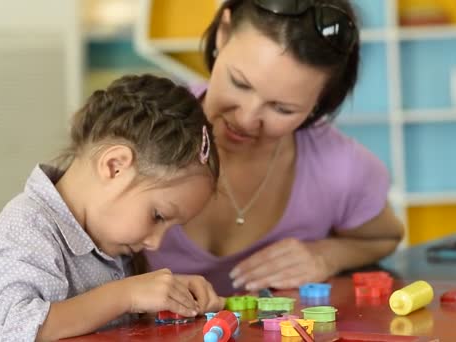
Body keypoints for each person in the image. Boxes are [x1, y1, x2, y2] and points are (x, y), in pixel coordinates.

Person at [145, 0, 405, 296]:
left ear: (318, 104)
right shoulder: (141, 128)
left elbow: (384, 236)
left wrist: (324, 255)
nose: (246, 119)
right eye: (239, 83)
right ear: (223, 34)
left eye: (282, 109)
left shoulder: (339, 167)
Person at [0, 74, 225, 341]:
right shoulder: (27, 227)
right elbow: (7, 329)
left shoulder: (112, 245)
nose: (156, 243)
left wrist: (164, 299)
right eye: (158, 216)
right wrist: (126, 295)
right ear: (115, 166)